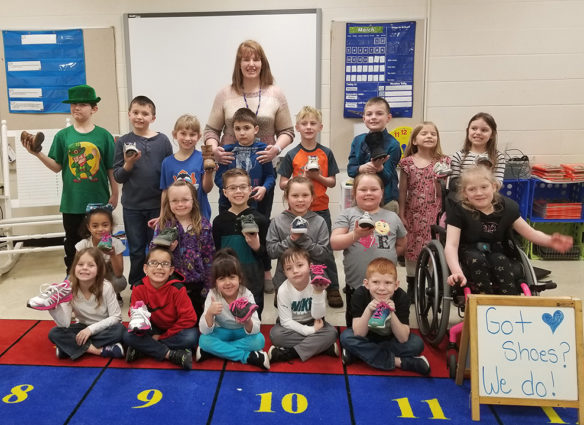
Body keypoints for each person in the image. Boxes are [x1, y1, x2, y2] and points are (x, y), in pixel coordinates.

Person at [21, 84, 118, 274]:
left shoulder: (104, 136)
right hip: (71, 203)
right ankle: (73, 284)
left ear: (94, 108)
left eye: (82, 104)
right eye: (73, 104)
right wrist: (37, 154)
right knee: (73, 245)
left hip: (99, 201)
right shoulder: (63, 136)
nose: (76, 108)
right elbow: (57, 167)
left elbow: (110, 168)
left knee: (103, 245)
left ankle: (106, 283)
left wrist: (115, 193)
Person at [203, 39, 294, 220]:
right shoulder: (225, 93)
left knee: (260, 223)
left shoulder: (276, 93)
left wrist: (276, 149)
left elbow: (288, 132)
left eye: (256, 59)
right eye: (246, 59)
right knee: (229, 225)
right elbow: (211, 131)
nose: (251, 64)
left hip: (261, 172)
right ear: (239, 64)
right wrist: (215, 152)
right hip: (231, 173)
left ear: (263, 63)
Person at [445, 166, 573, 294]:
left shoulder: (507, 208)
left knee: (500, 260)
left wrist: (550, 241)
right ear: (465, 193)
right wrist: (457, 272)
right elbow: (451, 245)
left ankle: (509, 299)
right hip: (469, 250)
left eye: (484, 187)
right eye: (472, 189)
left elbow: (530, 233)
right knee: (477, 259)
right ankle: (483, 299)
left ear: (494, 187)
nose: (479, 193)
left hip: (496, 249)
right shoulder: (458, 211)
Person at [277, 107, 343, 307]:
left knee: (324, 249)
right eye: (304, 123)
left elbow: (331, 182)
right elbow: (282, 183)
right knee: (296, 247)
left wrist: (317, 177)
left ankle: (332, 287)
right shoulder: (292, 155)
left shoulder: (326, 153)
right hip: (295, 210)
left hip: (320, 209)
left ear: (320, 127)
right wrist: (302, 179)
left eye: (313, 123)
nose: (308, 127)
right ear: (297, 127)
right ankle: (292, 285)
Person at [331, 173, 407, 326]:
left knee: (384, 323)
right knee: (355, 323)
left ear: (382, 192)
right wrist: (356, 234)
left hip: (385, 286)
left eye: (374, 189)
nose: (368, 193)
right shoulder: (348, 214)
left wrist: (389, 255)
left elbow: (401, 243)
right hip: (356, 285)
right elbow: (334, 243)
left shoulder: (392, 217)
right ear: (354, 193)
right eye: (363, 189)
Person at [113, 95, 172, 287]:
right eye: (136, 112)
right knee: (137, 250)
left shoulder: (162, 141)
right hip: (133, 207)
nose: (140, 117)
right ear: (129, 114)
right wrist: (129, 163)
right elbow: (118, 176)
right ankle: (137, 287)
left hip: (158, 207)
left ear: (153, 117)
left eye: (145, 113)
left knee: (159, 249)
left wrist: (168, 205)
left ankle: (160, 286)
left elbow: (169, 172)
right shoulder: (123, 141)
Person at [27, 248, 125, 360]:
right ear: (74, 267)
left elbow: (116, 317)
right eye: (80, 264)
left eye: (91, 265)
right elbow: (65, 324)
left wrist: (90, 330)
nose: (84, 268)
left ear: (99, 269)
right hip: (81, 327)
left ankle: (69, 348)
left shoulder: (106, 287)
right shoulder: (68, 289)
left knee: (120, 331)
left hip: (104, 328)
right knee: (54, 333)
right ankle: (99, 350)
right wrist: (53, 307)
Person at [339, 257, 430, 375]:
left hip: (390, 340)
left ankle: (359, 354)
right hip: (367, 337)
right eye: (375, 282)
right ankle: (402, 362)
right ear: (366, 284)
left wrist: (391, 313)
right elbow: (359, 333)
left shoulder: (401, 297)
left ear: (396, 285)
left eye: (388, 283)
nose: (382, 288)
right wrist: (368, 310)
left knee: (416, 344)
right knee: (346, 337)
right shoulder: (360, 294)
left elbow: (403, 338)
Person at [267, 176, 343, 308]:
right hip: (284, 281)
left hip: (314, 282)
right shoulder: (277, 221)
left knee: (313, 316)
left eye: (305, 195)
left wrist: (302, 239)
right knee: (286, 319)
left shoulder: (319, 222)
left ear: (312, 197)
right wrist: (291, 239)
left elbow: (324, 254)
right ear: (287, 197)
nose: (300, 199)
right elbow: (272, 252)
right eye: (295, 195)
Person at [398, 122, 450, 301]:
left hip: (436, 213)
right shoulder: (407, 163)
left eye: (433, 134)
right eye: (424, 133)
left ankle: (431, 283)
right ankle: (412, 283)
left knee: (434, 248)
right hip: (414, 213)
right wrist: (402, 213)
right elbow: (403, 191)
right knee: (413, 249)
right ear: (414, 140)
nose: (429, 136)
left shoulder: (444, 161)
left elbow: (448, 189)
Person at [123, 246, 198, 370]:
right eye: (153, 263)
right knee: (128, 335)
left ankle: (143, 350)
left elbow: (189, 319)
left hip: (174, 330)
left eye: (165, 264)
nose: (159, 267)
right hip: (152, 329)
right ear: (145, 268)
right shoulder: (139, 287)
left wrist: (162, 337)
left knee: (192, 336)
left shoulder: (178, 289)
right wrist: (139, 325)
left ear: (171, 270)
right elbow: (135, 316)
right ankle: (171, 354)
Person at [151, 179, 214, 320]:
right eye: (175, 201)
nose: (180, 204)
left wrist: (208, 290)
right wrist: (165, 250)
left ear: (193, 200)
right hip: (169, 285)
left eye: (185, 200)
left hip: (196, 286)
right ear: (169, 203)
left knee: (194, 324)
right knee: (171, 321)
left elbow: (209, 258)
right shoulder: (162, 225)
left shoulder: (203, 225)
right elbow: (152, 255)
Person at [197, 249, 270, 370]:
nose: (227, 283)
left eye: (231, 277)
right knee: (204, 340)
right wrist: (209, 313)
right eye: (221, 278)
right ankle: (246, 357)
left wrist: (247, 321)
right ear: (215, 282)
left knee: (259, 340)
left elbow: (256, 328)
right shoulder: (213, 295)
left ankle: (213, 351)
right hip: (221, 331)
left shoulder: (246, 294)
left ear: (239, 278)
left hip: (241, 332)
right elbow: (204, 331)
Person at [212, 169, 269, 316]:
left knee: (253, 312)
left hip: (252, 275)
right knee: (227, 313)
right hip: (227, 276)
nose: (238, 191)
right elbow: (217, 253)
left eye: (243, 187)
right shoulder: (219, 222)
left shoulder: (260, 220)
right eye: (232, 188)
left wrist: (256, 247)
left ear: (250, 190)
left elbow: (266, 253)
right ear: (225, 192)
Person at [268, 247, 339, 363]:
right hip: (290, 327)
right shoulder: (283, 290)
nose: (295, 271)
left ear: (310, 266)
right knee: (275, 335)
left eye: (300, 265)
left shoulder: (318, 283)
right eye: (289, 268)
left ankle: (288, 353)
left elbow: (319, 316)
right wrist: (309, 331)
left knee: (332, 333)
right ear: (285, 273)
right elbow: (286, 321)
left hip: (313, 321)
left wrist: (318, 293)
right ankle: (322, 347)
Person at [214, 107, 275, 213]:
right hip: (229, 205)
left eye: (246, 128)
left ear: (256, 129)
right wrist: (229, 191)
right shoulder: (227, 152)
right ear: (233, 130)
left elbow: (270, 175)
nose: (242, 133)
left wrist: (264, 188)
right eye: (237, 128)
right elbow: (219, 178)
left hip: (256, 202)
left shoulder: (263, 150)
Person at [347, 97, 401, 212]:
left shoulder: (393, 145)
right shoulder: (357, 141)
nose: (373, 117)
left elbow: (388, 178)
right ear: (364, 118)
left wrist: (379, 168)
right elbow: (350, 170)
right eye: (369, 114)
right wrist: (361, 168)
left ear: (388, 118)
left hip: (386, 201)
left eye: (379, 113)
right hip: (361, 200)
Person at [160, 114, 214, 220]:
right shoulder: (167, 162)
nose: (187, 138)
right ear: (175, 134)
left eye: (192, 134)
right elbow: (165, 192)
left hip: (200, 215)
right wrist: (162, 215)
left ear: (198, 136)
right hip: (175, 217)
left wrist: (209, 172)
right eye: (183, 134)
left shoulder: (203, 158)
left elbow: (206, 189)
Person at [76, 205, 127, 305]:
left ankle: (114, 295)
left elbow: (118, 274)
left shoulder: (116, 243)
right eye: (95, 226)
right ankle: (90, 296)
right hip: (89, 276)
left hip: (109, 276)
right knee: (72, 279)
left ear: (111, 225)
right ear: (89, 227)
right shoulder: (83, 244)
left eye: (105, 225)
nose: (100, 229)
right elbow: (77, 270)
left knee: (119, 282)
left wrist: (112, 255)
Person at [450, 112, 505, 183]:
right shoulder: (458, 156)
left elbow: (498, 183)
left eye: (484, 130)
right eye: (474, 128)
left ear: (492, 135)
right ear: (468, 131)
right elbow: (454, 184)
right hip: (464, 194)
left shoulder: (498, 157)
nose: (478, 132)